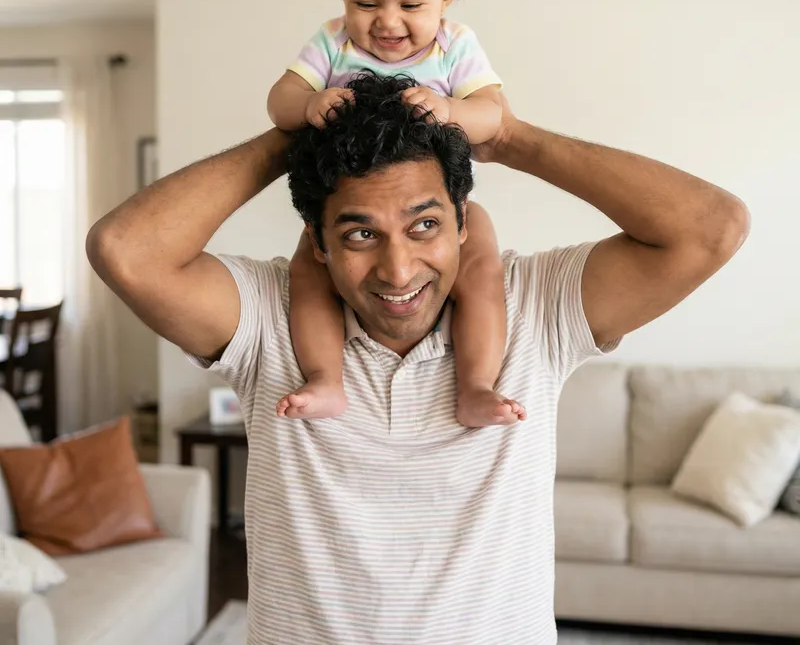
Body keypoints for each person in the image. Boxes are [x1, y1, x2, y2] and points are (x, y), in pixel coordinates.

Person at [87, 72, 748, 645]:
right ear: (317, 242)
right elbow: (125, 249)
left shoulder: (535, 307)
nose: (398, 268)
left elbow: (712, 227)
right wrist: (296, 137)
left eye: (425, 224)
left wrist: (512, 137)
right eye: (359, 233)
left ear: (464, 222)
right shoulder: (269, 316)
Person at [267, 0, 517, 427]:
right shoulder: (333, 43)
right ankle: (326, 379)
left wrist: (449, 109)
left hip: (445, 206)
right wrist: (310, 102)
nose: (387, 22)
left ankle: (475, 385)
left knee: (482, 273)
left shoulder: (456, 46)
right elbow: (279, 102)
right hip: (346, 203)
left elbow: (493, 117)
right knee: (310, 274)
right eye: (365, 2)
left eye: (411, 5)